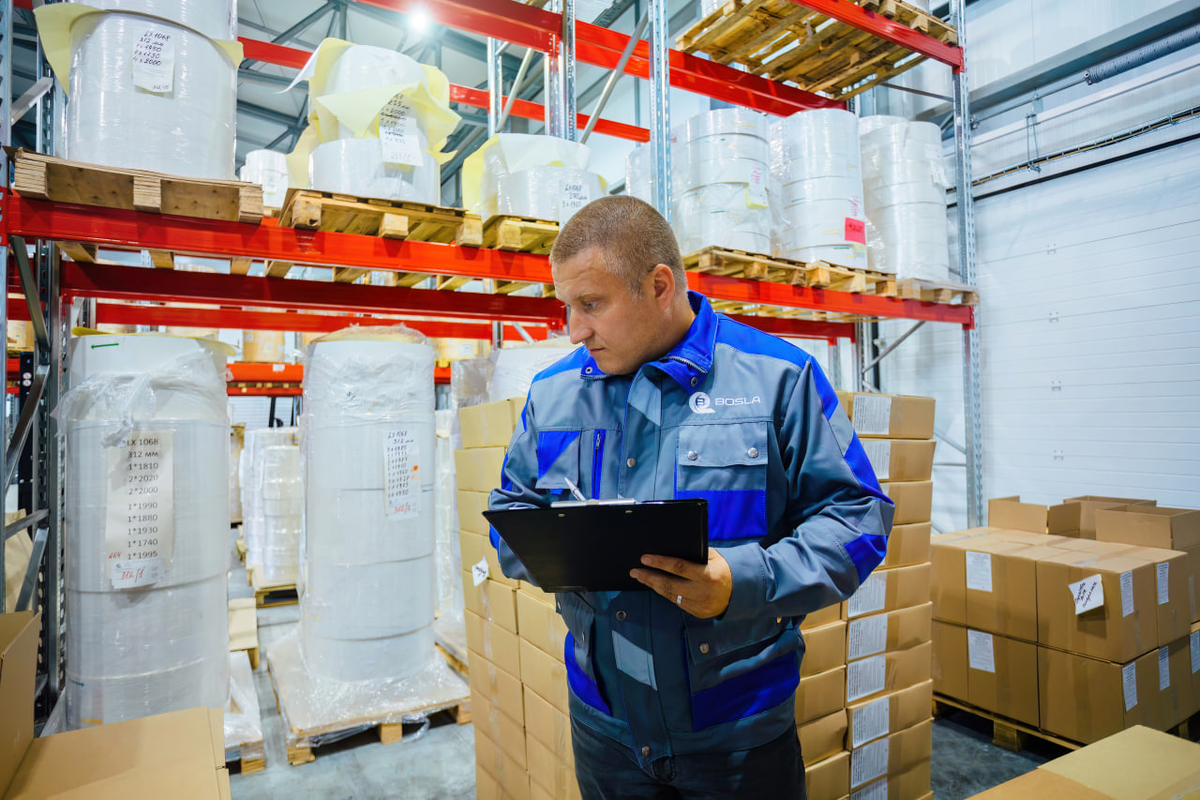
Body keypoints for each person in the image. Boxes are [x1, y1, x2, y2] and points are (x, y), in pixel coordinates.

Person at [488, 195, 894, 799]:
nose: (574, 330)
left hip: (737, 731)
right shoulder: (554, 393)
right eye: (566, 306)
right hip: (605, 728)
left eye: (591, 304)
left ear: (659, 286)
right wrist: (557, 550)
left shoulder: (778, 378)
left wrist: (743, 581)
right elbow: (510, 511)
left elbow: (858, 519)